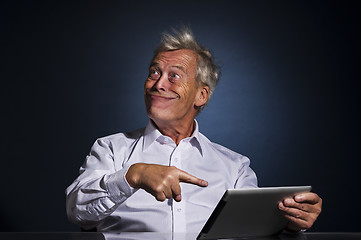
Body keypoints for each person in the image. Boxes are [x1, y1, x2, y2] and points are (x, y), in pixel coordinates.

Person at [66, 27, 322, 234]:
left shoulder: (235, 167)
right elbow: (78, 213)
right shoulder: (111, 149)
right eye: (154, 72)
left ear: (201, 95)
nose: (158, 84)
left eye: (174, 76)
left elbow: (254, 232)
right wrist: (134, 175)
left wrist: (290, 221)